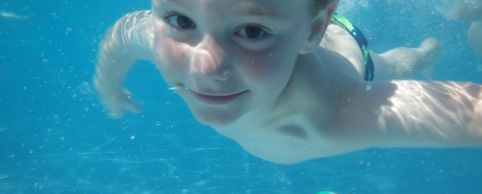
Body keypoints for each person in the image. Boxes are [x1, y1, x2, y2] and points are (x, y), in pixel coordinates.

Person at [93, 0, 482, 164]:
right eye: (180, 21)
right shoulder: (157, 30)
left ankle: (427, 50)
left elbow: (469, 115)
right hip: (297, 17)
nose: (204, 68)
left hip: (350, 51)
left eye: (251, 30)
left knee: (398, 64)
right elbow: (119, 38)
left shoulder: (335, 114)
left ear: (313, 30)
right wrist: (107, 86)